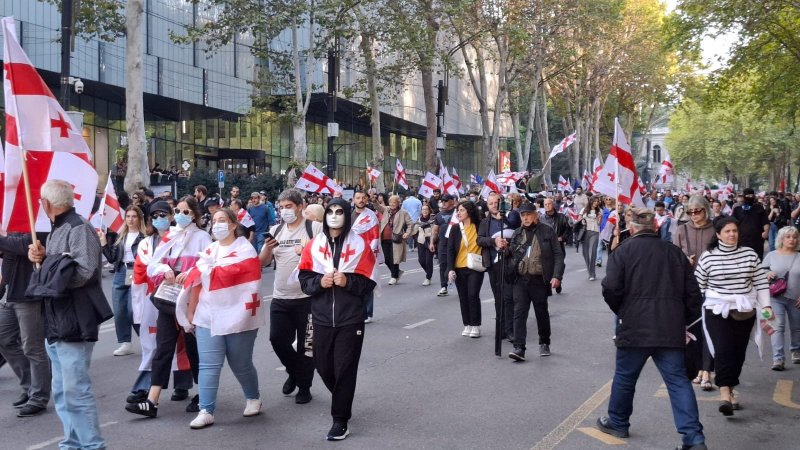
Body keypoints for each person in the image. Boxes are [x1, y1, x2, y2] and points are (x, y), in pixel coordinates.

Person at [596, 207, 706, 450]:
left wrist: (623, 311)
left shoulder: (623, 252)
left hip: (635, 326)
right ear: (656, 228)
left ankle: (618, 421)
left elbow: (611, 288)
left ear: (632, 228)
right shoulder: (675, 253)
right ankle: (694, 438)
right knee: (678, 382)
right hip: (670, 327)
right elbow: (693, 295)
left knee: (625, 377)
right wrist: (682, 320)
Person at [27, 180, 111, 449]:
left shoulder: (78, 228)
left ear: (46, 203)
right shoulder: (58, 230)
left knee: (76, 389)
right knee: (63, 391)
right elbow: (55, 272)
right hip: (57, 318)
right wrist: (42, 258)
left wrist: (51, 267)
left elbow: (84, 271)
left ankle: (92, 446)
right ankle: (72, 443)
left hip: (74, 318)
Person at [298, 199, 378, 441]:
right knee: (323, 366)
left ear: (347, 215)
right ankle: (342, 396)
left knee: (344, 369)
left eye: (340, 211)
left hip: (350, 319)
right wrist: (319, 283)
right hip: (321, 317)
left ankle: (340, 420)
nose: (334, 215)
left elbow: (369, 282)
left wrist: (348, 282)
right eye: (330, 211)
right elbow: (304, 278)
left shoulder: (360, 246)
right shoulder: (313, 246)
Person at [126, 196, 211, 418]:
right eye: (178, 211)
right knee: (163, 348)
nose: (181, 215)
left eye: (186, 211)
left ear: (194, 214)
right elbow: (153, 264)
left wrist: (190, 274)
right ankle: (152, 401)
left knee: (194, 349)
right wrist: (164, 269)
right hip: (168, 299)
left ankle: (204, 394)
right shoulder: (170, 237)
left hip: (192, 301)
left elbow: (208, 266)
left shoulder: (202, 238)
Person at [181, 208, 265, 429]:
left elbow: (241, 273)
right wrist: (191, 310)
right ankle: (206, 410)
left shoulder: (245, 249)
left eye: (222, 220)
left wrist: (207, 271)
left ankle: (253, 397)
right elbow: (198, 282)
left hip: (239, 316)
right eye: (215, 220)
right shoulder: (209, 250)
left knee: (240, 363)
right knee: (208, 365)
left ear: (233, 225)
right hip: (207, 316)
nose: (217, 224)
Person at [694, 216, 773, 416]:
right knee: (723, 350)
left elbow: (761, 282)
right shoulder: (708, 257)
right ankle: (724, 393)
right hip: (716, 310)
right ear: (718, 234)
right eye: (727, 231)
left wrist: (766, 307)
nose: (732, 234)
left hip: (744, 311)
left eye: (735, 231)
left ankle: (731, 387)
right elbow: (698, 287)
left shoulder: (750, 254)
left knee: (738, 353)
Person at [259, 189, 321, 404]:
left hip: (307, 298)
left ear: (300, 206)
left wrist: (307, 251)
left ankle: (305, 386)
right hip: (280, 297)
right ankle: (294, 372)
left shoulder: (314, 228)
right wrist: (267, 249)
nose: (285, 211)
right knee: (277, 340)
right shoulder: (275, 230)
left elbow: (326, 256)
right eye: (282, 207)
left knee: (307, 346)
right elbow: (263, 263)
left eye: (289, 206)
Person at [0, 230, 50, 417]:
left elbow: (25, 245)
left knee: (33, 347)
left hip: (28, 294)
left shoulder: (36, 222)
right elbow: (11, 247)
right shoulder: (9, 225)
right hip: (8, 293)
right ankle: (30, 384)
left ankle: (38, 397)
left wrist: (4, 241)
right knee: (3, 338)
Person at [506, 202, 564, 360]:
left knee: (541, 313)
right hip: (520, 279)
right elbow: (511, 255)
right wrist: (504, 250)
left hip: (539, 279)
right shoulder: (517, 233)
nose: (525, 218)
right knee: (519, 313)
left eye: (528, 215)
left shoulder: (547, 231)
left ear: (536, 214)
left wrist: (557, 276)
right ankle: (519, 348)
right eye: (522, 215)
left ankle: (544, 342)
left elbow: (558, 254)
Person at [672, 195, 716, 390]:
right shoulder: (681, 230)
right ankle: (698, 368)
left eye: (697, 211)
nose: (694, 215)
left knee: (710, 330)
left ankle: (707, 371)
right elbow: (673, 257)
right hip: (689, 287)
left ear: (706, 210)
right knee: (694, 330)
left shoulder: (716, 230)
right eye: (690, 212)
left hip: (713, 287)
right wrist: (683, 263)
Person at [99, 205, 145, 357]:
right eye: (128, 216)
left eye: (134, 216)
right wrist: (104, 243)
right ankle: (125, 342)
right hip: (121, 271)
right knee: (119, 310)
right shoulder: (121, 236)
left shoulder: (144, 237)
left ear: (139, 218)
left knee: (133, 310)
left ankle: (145, 339)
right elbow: (112, 258)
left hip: (137, 271)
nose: (131, 220)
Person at [477, 192, 517, 342]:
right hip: (493, 264)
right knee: (498, 298)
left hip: (508, 263)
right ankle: (501, 329)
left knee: (509, 297)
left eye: (497, 202)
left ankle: (510, 329)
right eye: (491, 203)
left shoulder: (510, 219)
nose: (494, 205)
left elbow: (518, 236)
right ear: (487, 205)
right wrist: (494, 242)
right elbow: (479, 240)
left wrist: (507, 243)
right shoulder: (485, 223)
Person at [762, 226, 800, 370]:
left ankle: (796, 350)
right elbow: (761, 271)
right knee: (777, 327)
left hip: (795, 299)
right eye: (788, 237)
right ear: (781, 239)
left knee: (797, 328)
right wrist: (768, 273)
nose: (792, 239)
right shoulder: (772, 255)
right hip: (775, 297)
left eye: (794, 237)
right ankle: (778, 359)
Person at [446, 200, 486, 338]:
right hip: (459, 268)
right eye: (458, 210)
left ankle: (476, 325)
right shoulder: (456, 228)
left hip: (475, 267)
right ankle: (467, 324)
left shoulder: (480, 226)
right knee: (463, 297)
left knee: (473, 295)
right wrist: (450, 269)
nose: (458, 213)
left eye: (461, 210)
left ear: (469, 211)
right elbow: (450, 249)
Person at [380, 195, 413, 285]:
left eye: (394, 202)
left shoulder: (403, 212)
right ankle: (397, 272)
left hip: (396, 238)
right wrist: (374, 200)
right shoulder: (386, 209)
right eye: (390, 202)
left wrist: (407, 233)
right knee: (385, 259)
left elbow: (410, 224)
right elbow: (378, 207)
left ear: (398, 203)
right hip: (384, 238)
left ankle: (394, 276)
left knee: (394, 258)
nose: (392, 204)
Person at [540, 197, 570, 293]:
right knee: (547, 266)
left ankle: (558, 280)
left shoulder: (561, 217)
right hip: (546, 246)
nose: (547, 206)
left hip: (558, 245)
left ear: (553, 205)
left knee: (559, 263)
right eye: (545, 204)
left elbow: (568, 230)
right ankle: (549, 284)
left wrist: (562, 238)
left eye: (549, 204)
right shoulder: (541, 218)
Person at [732, 187, 770, 260]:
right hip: (742, 239)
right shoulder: (737, 209)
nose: (750, 197)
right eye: (747, 196)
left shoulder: (759, 208)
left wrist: (766, 231)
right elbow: (733, 223)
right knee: (743, 259)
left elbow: (765, 221)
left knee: (757, 259)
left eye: (751, 195)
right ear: (743, 196)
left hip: (757, 239)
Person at [431, 194, 457, 296]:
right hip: (443, 244)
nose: (444, 203)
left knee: (456, 264)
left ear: (451, 201)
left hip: (455, 243)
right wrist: (432, 242)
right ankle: (443, 286)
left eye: (446, 201)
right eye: (442, 201)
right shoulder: (439, 215)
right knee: (443, 265)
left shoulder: (457, 212)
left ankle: (459, 285)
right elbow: (435, 230)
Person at [580, 197, 602, 281]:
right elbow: (579, 220)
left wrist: (600, 218)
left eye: (597, 201)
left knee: (592, 252)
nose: (596, 203)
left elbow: (599, 223)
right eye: (595, 201)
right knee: (585, 253)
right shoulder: (584, 210)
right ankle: (590, 272)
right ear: (591, 201)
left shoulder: (599, 211)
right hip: (585, 232)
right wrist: (582, 221)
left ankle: (592, 273)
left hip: (595, 232)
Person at [415, 204, 436, 286]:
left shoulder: (433, 219)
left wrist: (433, 240)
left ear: (429, 210)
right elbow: (414, 230)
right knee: (421, 260)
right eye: (423, 209)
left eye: (426, 209)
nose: (424, 211)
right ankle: (429, 272)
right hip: (421, 241)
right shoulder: (419, 220)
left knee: (428, 261)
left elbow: (435, 230)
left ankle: (428, 277)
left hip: (430, 241)